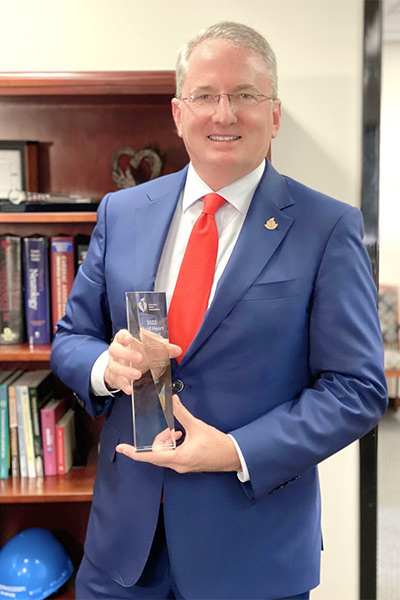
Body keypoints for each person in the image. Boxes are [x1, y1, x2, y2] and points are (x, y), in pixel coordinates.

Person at [50, 21, 387, 600]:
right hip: (122, 552)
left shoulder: (327, 227)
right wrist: (108, 367)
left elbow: (356, 389)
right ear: (179, 113)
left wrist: (236, 451)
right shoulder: (122, 212)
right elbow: (71, 337)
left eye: (245, 96)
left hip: (252, 552)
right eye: (205, 96)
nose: (223, 114)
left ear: (274, 114)